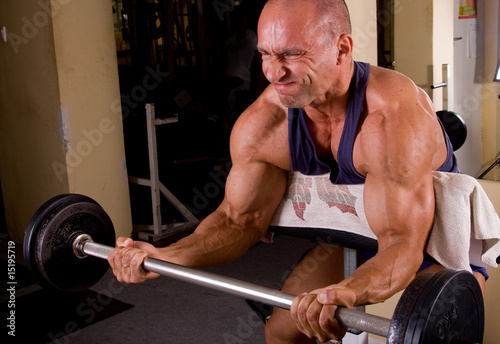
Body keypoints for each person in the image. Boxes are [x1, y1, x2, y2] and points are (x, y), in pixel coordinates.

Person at [108, 1, 487, 343]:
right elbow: (238, 222)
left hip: (429, 239)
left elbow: (402, 243)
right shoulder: (263, 126)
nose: (274, 71)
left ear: (342, 48)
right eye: (265, 54)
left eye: (291, 54)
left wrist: (348, 292)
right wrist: (163, 256)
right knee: (285, 330)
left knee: (428, 333)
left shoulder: (391, 117)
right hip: (354, 228)